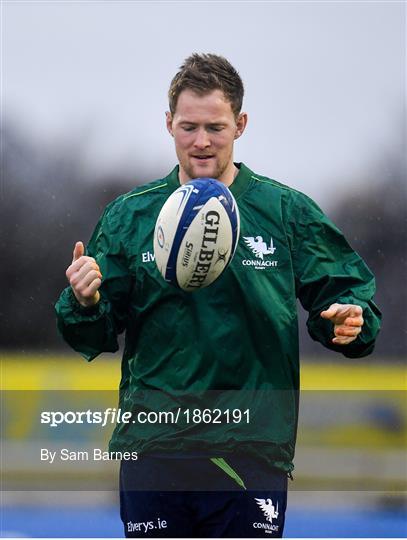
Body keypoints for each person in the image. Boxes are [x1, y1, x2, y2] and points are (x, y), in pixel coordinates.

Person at [55, 53, 381, 538]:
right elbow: (97, 329)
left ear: (241, 124)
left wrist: (348, 322)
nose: (202, 141)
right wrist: (84, 302)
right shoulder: (131, 217)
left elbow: (349, 297)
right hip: (155, 444)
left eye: (216, 126)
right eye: (188, 126)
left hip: (248, 448)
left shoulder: (285, 212)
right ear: (168, 123)